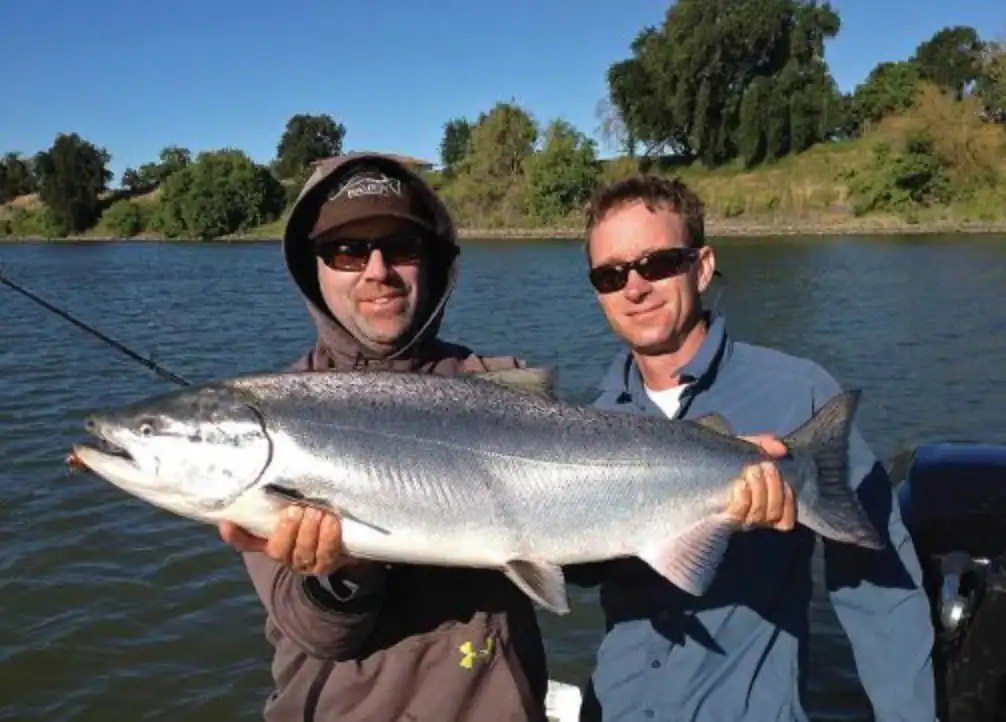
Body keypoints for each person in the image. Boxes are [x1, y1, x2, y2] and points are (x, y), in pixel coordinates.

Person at [215, 153, 797, 722]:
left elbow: (583, 539)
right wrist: (343, 572)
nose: (376, 271)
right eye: (346, 251)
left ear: (431, 260)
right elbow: (318, 635)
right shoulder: (280, 411)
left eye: (401, 247)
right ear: (313, 268)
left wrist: (716, 489)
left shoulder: (499, 382)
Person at [573, 174, 936, 722]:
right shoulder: (592, 422)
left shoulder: (799, 394)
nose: (635, 288)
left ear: (702, 266)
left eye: (658, 264)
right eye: (611, 274)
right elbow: (576, 570)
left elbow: (878, 587)